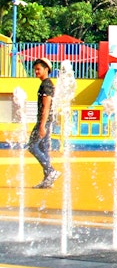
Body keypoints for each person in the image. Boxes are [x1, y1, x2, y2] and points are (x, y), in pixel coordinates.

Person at [28, 58, 59, 189]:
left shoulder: (46, 85)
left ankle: (51, 170)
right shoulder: (47, 83)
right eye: (35, 69)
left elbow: (46, 107)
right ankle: (48, 179)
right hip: (46, 121)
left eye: (38, 69)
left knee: (32, 146)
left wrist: (42, 125)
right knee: (43, 149)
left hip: (43, 121)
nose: (36, 71)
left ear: (46, 69)